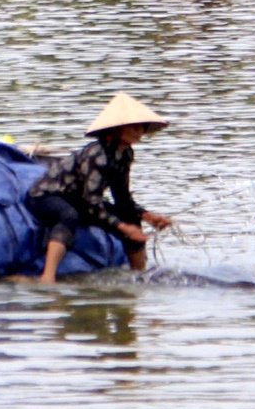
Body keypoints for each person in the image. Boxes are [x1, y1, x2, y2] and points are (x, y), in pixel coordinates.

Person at [25, 94, 173, 284]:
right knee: (69, 216)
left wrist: (146, 215)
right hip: (48, 196)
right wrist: (121, 227)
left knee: (131, 218)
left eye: (141, 127)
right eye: (133, 127)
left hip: (79, 199)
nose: (139, 131)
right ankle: (48, 276)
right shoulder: (97, 154)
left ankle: (139, 275)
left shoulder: (125, 154)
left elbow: (122, 198)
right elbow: (92, 203)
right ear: (118, 129)